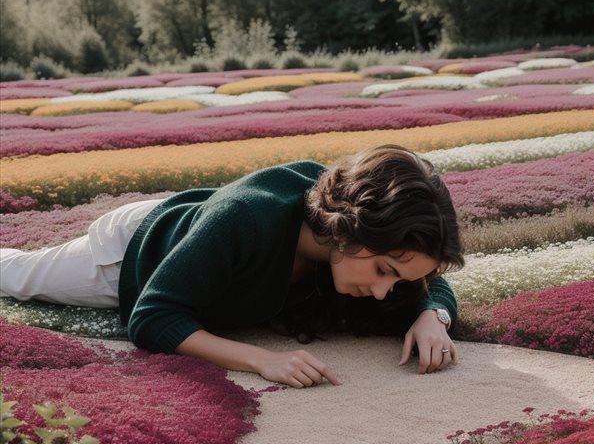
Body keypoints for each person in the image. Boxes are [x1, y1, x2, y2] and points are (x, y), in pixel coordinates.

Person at [1, 145, 464, 388]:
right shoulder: (249, 217)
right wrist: (262, 360)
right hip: (138, 247)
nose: (386, 292)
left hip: (207, 229)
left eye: (399, 279)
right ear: (348, 228)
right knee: (18, 277)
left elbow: (430, 287)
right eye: (384, 271)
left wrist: (432, 315)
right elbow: (153, 317)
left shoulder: (358, 244)